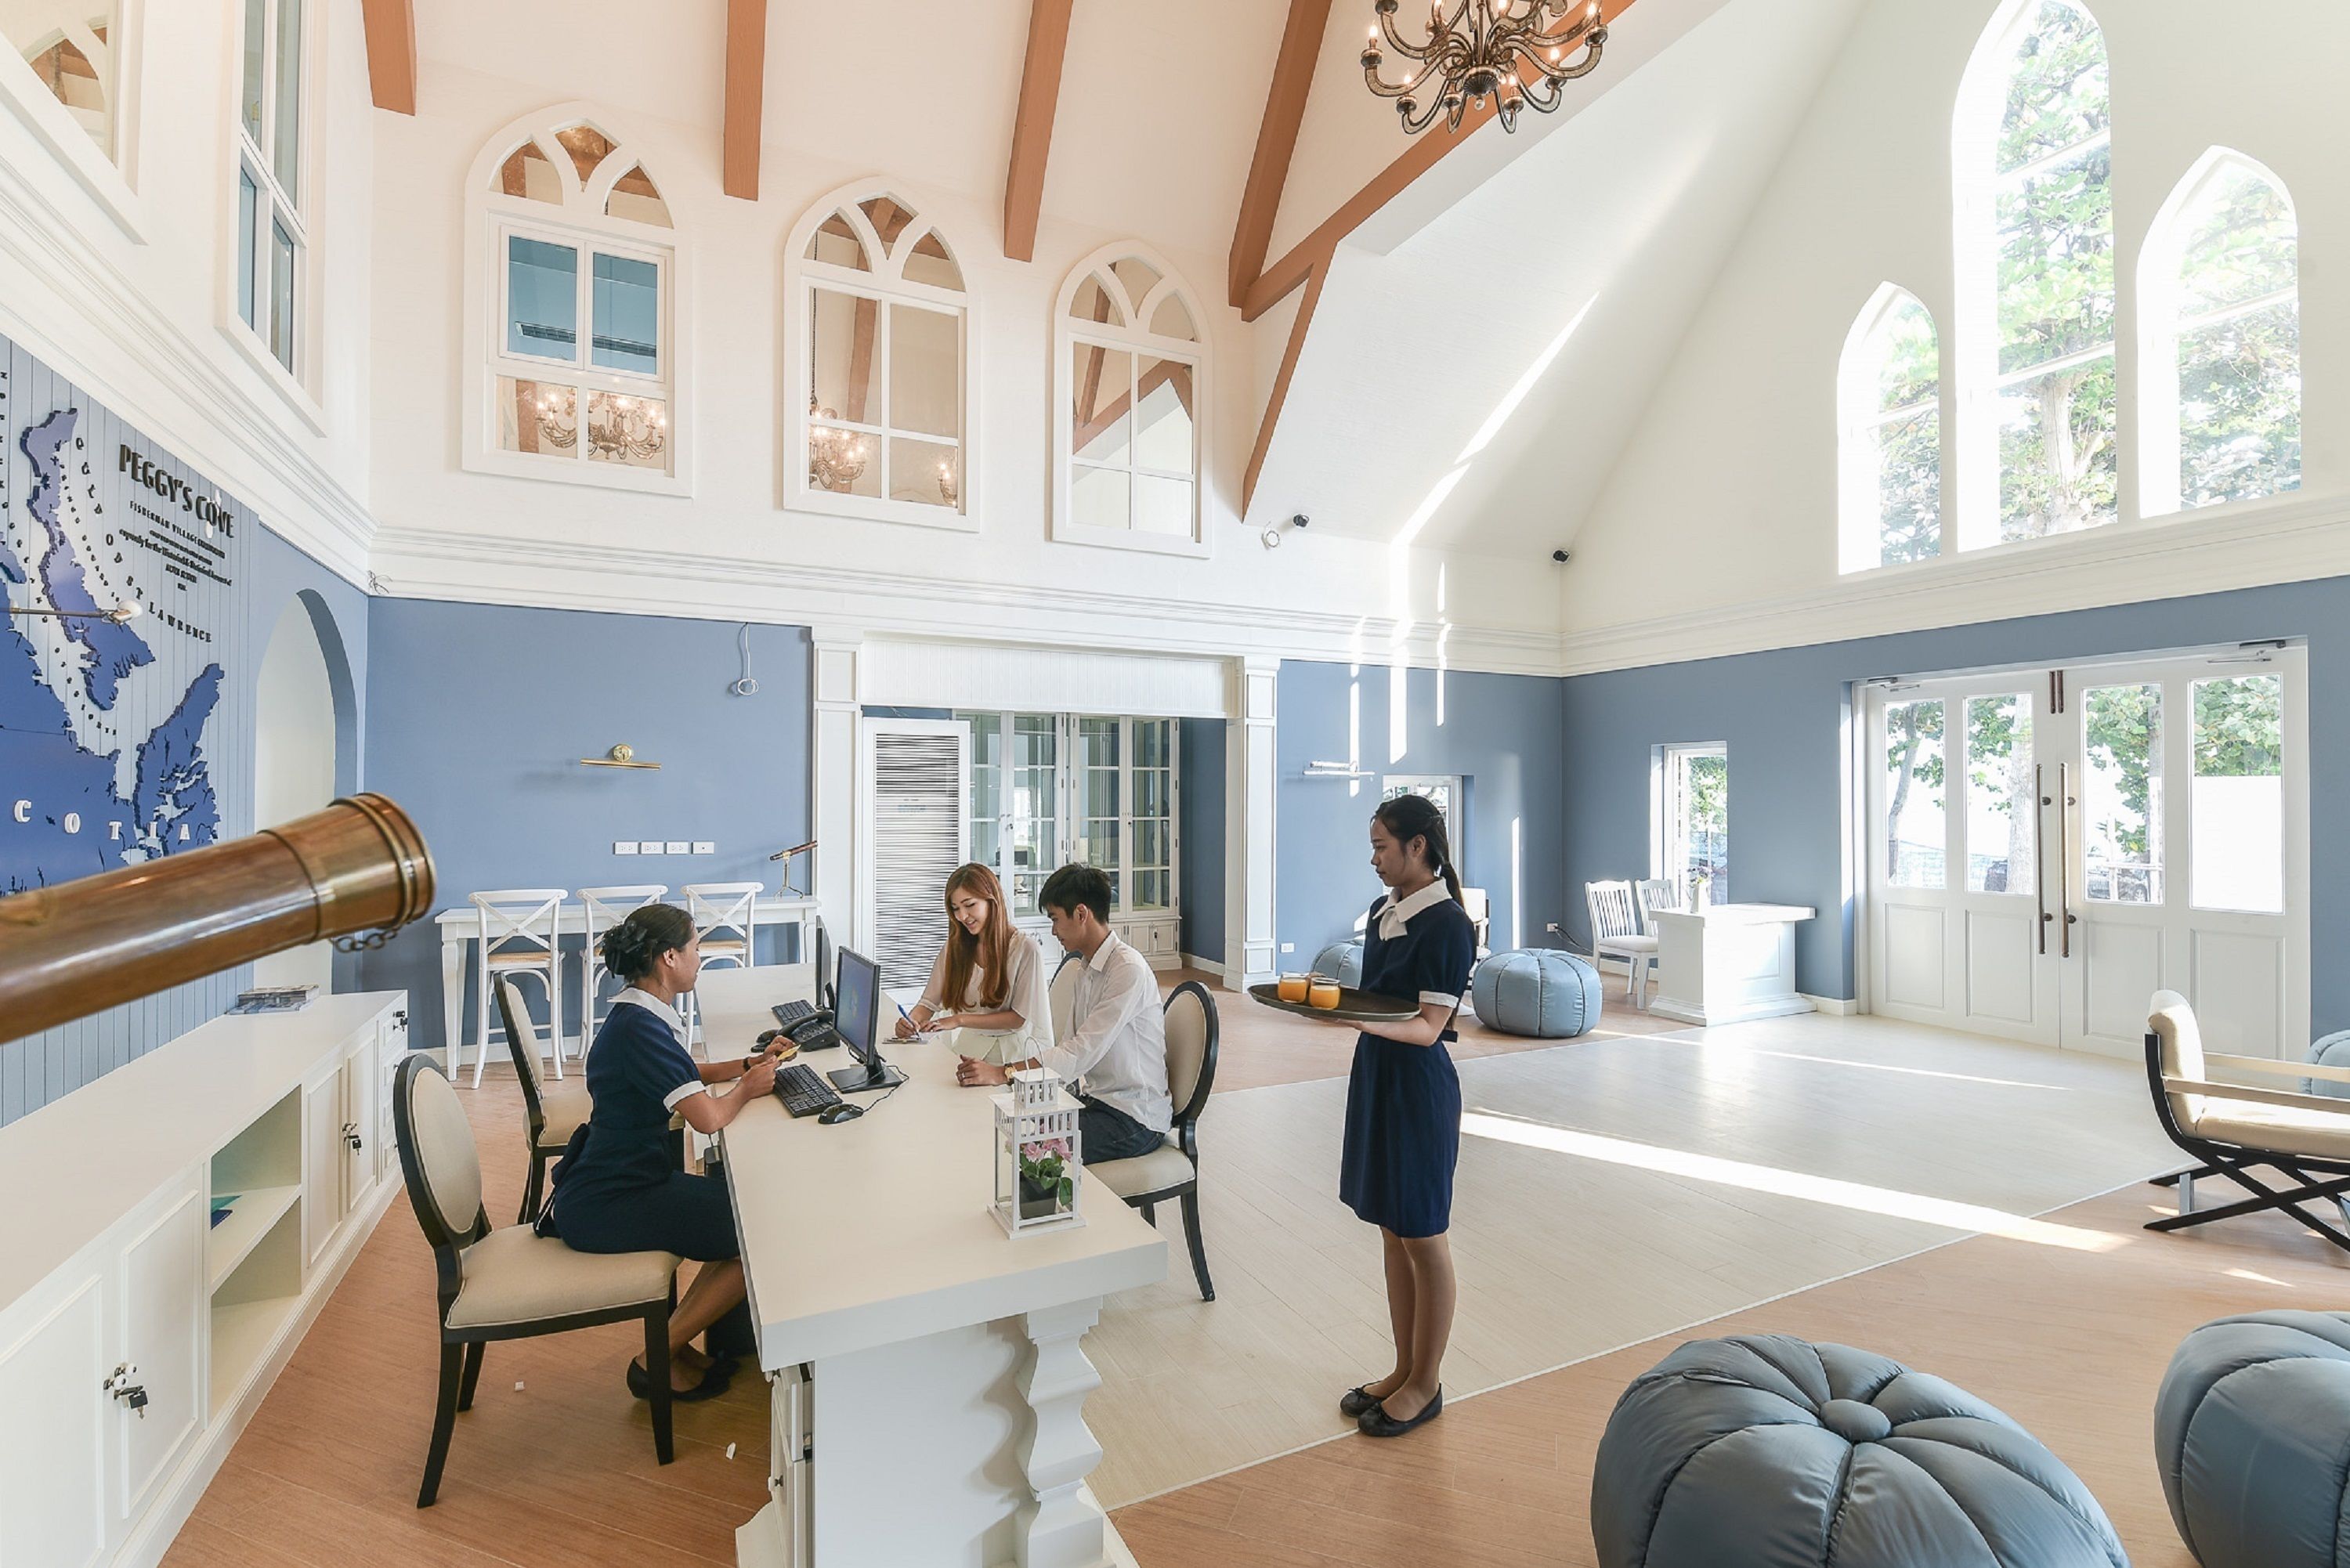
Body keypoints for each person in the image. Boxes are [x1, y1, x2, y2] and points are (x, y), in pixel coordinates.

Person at [536, 902, 788, 1400]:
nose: (700, 957)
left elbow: (683, 1074)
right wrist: (751, 1086)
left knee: (744, 1214)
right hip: (611, 1201)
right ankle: (656, 1354)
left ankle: (673, 1344)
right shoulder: (641, 1030)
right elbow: (709, 1118)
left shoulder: (637, 1014)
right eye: (696, 948)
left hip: (620, 1180)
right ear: (669, 957)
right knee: (760, 1233)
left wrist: (747, 1063)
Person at [1310, 793, 1477, 1439]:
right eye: (1374, 846)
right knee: (1391, 1229)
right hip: (1377, 1077)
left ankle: (1427, 1383)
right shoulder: (1385, 912)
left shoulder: (1448, 925)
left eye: (1383, 846)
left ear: (1418, 847)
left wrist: (1341, 1014)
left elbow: (1429, 1028)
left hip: (1417, 1088)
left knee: (1423, 1236)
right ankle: (1404, 1369)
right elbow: (1381, 1001)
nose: (1375, 859)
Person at [953, 863, 1170, 1164]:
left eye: (1055, 919)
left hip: (1134, 1118)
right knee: (1003, 1118)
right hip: (1096, 1103)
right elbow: (1069, 1047)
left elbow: (1080, 1053)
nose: (1053, 931)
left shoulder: (1127, 970)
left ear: (1081, 914)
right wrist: (1031, 1096)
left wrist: (1004, 1073)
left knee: (1024, 1146)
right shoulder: (1086, 968)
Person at [895, 862, 1054, 1066]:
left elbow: (1017, 1019)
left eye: (969, 905)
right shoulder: (955, 947)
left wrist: (958, 1020)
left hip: (1013, 1057)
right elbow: (928, 1003)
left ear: (992, 901)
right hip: (968, 1049)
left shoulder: (1025, 949)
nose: (962, 916)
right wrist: (910, 1021)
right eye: (955, 909)